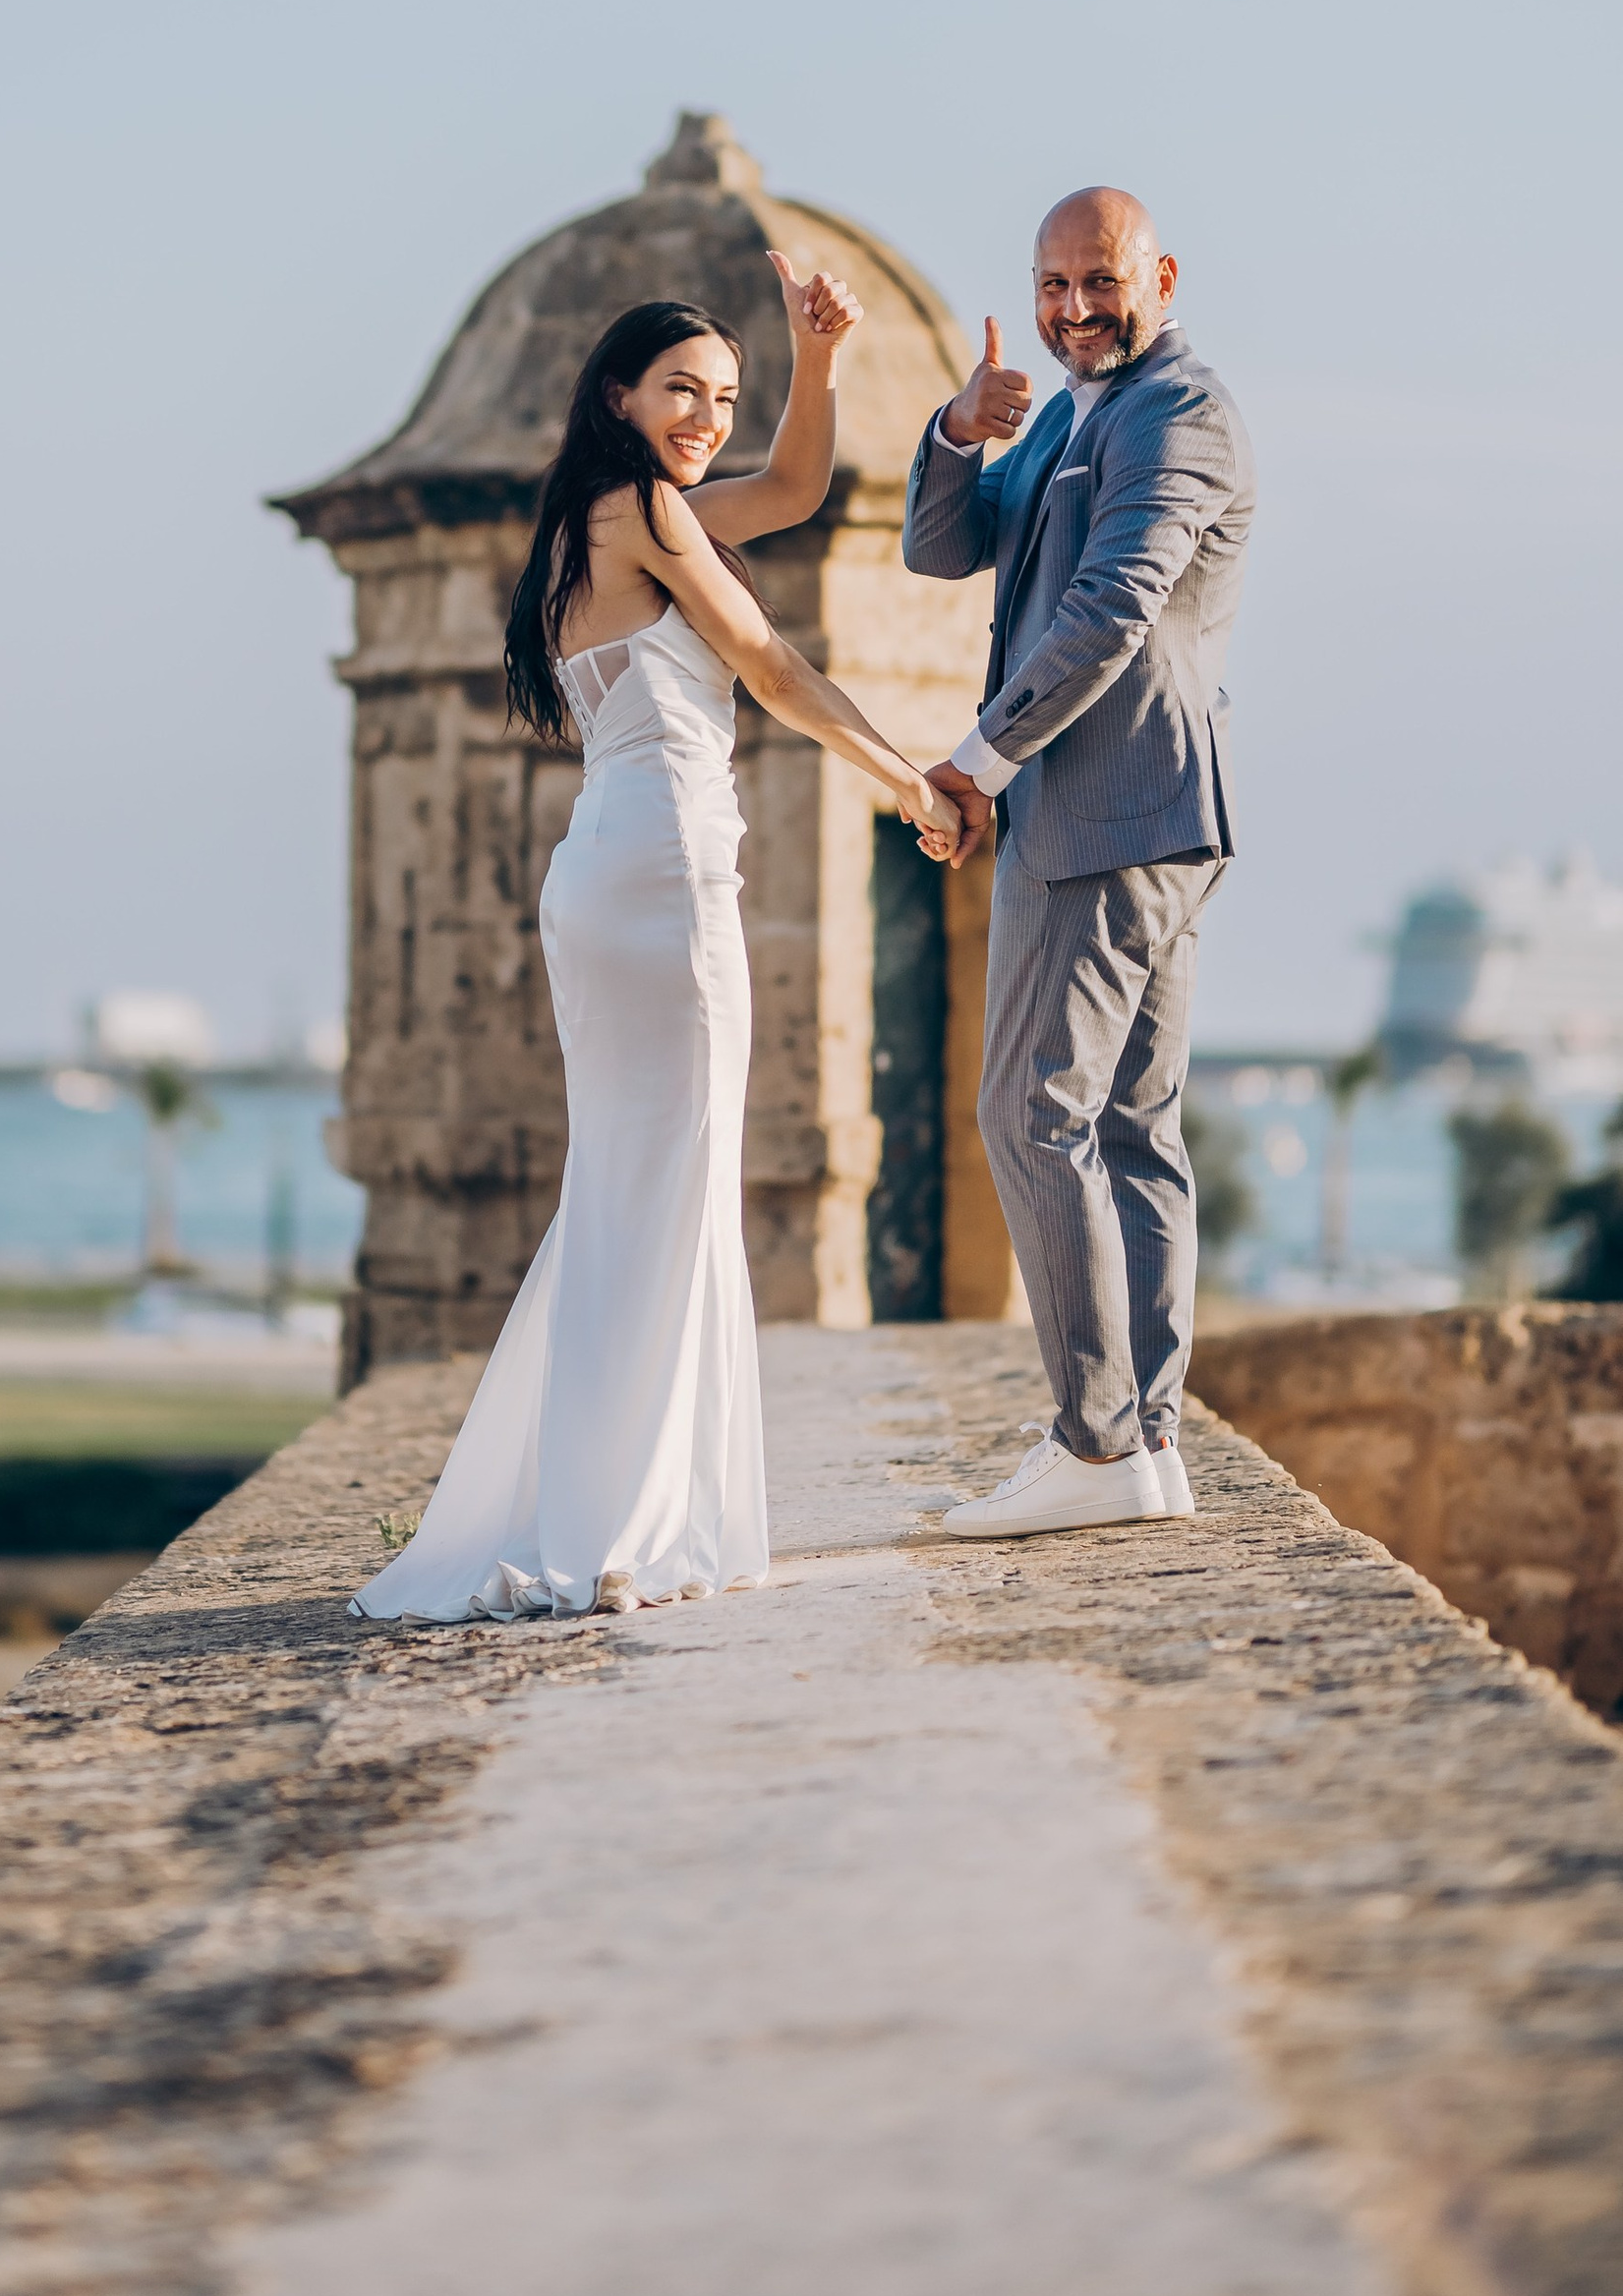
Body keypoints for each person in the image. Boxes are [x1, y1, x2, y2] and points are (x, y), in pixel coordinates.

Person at [353, 264, 965, 1625]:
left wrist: (816, 359)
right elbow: (773, 666)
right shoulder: (632, 508)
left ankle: (604, 1506)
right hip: (663, 875)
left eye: (723, 397)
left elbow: (797, 494)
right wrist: (910, 777)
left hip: (617, 868)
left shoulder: (616, 514)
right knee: (667, 1180)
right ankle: (624, 1521)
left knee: (636, 1182)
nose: (705, 414)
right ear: (616, 392)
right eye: (682, 388)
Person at [903, 187, 1253, 1537]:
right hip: (1139, 819)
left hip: (1107, 817)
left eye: (1098, 281)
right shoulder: (1065, 411)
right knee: (1129, 1127)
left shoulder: (1180, 412)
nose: (1072, 309)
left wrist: (976, 763)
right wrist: (957, 430)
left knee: (1027, 1112)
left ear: (1160, 275)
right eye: (1052, 285)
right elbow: (942, 547)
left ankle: (1096, 1448)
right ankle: (1146, 1447)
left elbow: (1115, 606)